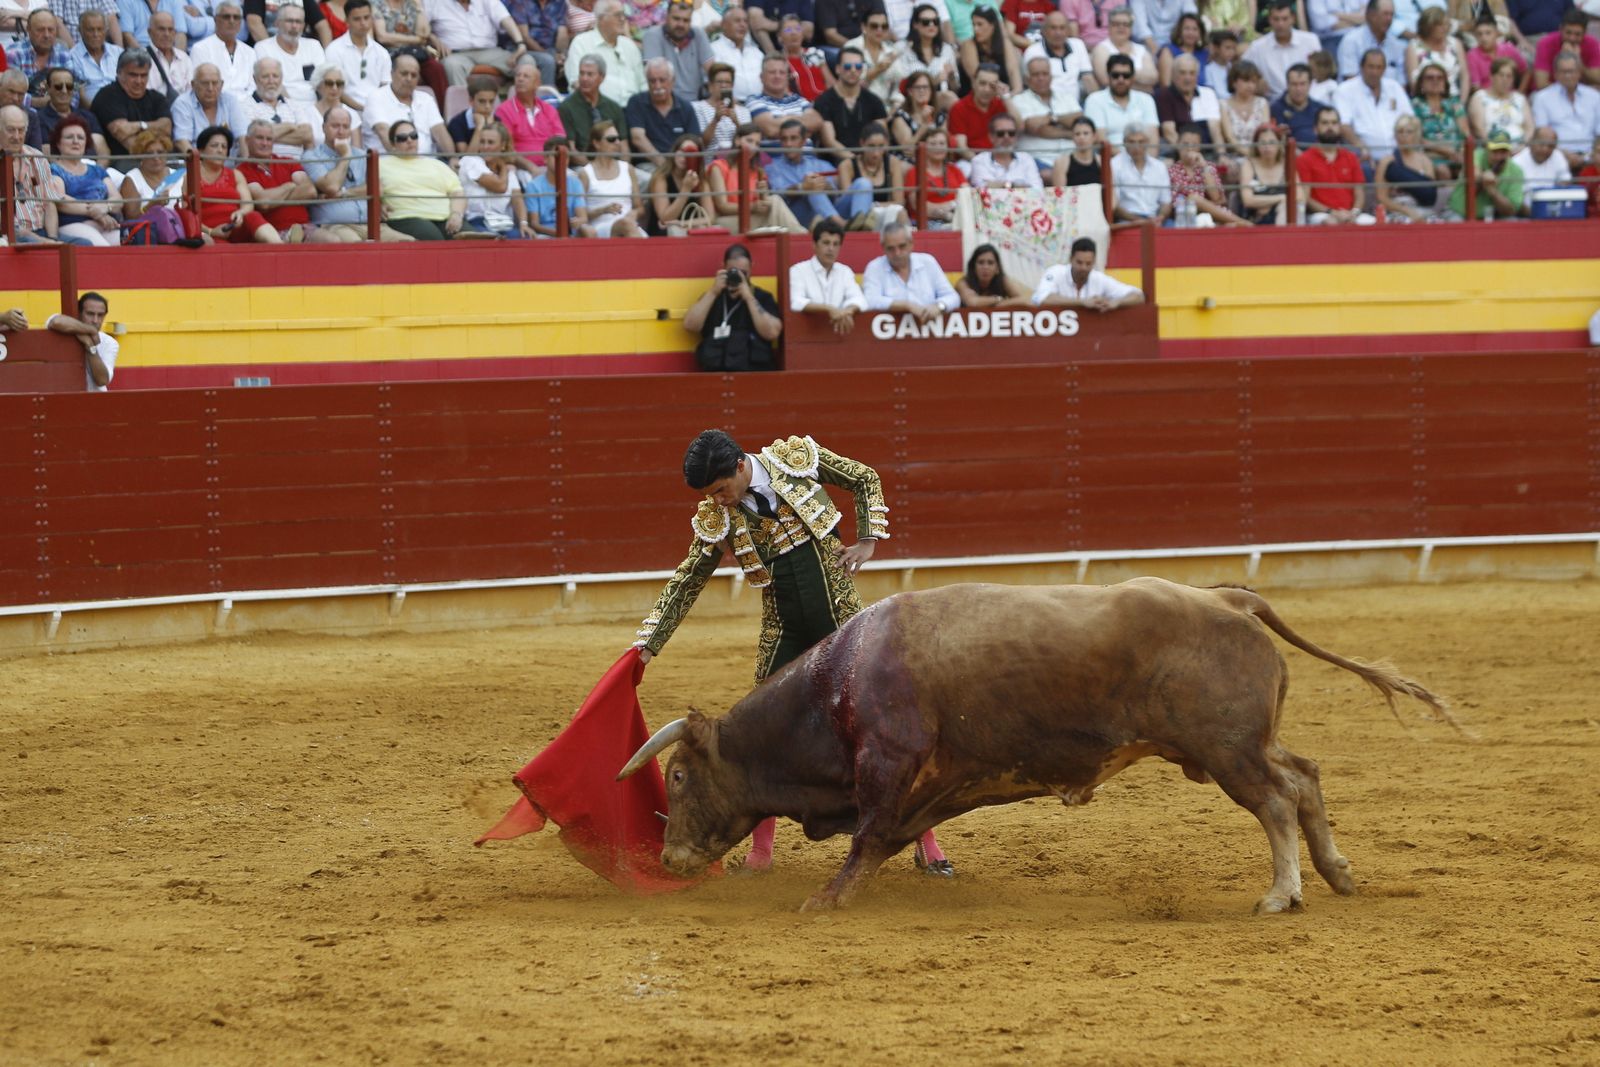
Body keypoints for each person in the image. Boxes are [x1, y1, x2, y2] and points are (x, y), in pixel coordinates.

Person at [634, 428, 953, 876]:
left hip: (843, 622)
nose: (719, 501)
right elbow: (688, 579)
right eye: (711, 495)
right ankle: (761, 854)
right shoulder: (716, 516)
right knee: (759, 736)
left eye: (722, 490)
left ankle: (928, 844)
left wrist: (867, 541)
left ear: (741, 466)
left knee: (887, 729)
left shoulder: (795, 460)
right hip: (783, 629)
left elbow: (864, 478)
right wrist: (648, 646)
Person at [303, 103, 416, 239]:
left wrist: (344, 193)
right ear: (323, 128)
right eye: (335, 126)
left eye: (345, 127)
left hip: (373, 225)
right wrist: (345, 156)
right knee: (357, 248)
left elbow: (377, 189)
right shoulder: (312, 156)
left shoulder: (362, 155)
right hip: (336, 225)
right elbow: (331, 187)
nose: (341, 131)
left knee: (408, 243)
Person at [684, 243, 783, 371]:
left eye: (743, 273)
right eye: (733, 272)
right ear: (724, 267)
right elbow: (690, 325)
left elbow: (772, 333)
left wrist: (748, 297)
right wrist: (713, 292)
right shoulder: (713, 296)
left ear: (752, 267)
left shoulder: (762, 297)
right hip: (716, 374)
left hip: (754, 375)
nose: (739, 277)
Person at [235, 115, 327, 239]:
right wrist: (289, 186)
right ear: (247, 140)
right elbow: (263, 203)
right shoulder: (242, 170)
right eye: (259, 138)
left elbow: (310, 191)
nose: (265, 143)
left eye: (269, 139)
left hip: (304, 226)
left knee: (333, 240)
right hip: (274, 233)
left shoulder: (288, 162)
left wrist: (274, 198)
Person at [706, 121, 807, 230]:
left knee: (773, 204)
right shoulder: (719, 167)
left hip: (753, 218)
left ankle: (800, 237)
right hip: (727, 220)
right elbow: (722, 206)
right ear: (737, 140)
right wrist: (753, 207)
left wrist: (763, 194)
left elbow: (763, 205)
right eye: (749, 141)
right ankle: (803, 237)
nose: (753, 147)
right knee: (775, 203)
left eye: (757, 144)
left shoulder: (758, 171)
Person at [379, 118, 465, 236]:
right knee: (433, 238)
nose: (409, 140)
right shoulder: (380, 164)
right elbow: (368, 190)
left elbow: (457, 192)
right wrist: (379, 204)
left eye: (413, 136)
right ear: (393, 144)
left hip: (445, 217)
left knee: (476, 240)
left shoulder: (437, 164)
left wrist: (456, 214)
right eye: (402, 138)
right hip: (406, 217)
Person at [861, 221, 960, 322]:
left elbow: (953, 296)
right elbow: (869, 301)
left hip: (929, 332)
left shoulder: (927, 262)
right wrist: (907, 305)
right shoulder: (875, 267)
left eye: (902, 246)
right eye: (891, 249)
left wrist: (939, 306)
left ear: (911, 244)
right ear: (883, 248)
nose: (897, 253)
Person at [49, 115, 122, 244]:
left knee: (127, 249)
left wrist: (106, 207)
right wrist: (97, 212)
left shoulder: (97, 170)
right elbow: (61, 201)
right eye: (69, 137)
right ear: (58, 143)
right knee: (103, 249)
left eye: (80, 137)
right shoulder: (53, 170)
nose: (75, 141)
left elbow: (118, 199)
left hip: (105, 223)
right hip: (72, 224)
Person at [1333, 46, 1407, 172]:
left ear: (1384, 69)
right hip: (1364, 154)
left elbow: (1409, 120)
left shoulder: (1394, 87)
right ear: (1361, 68)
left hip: (1398, 153)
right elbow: (1344, 126)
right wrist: (1362, 148)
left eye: (1379, 67)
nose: (1374, 72)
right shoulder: (1345, 90)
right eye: (1371, 67)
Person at [1297, 103, 1372, 222]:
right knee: (1330, 222)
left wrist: (1354, 212)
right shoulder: (1304, 159)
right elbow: (1307, 198)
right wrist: (1331, 212)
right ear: (1315, 129)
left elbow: (1359, 192)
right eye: (1325, 123)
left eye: (1334, 123)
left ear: (1339, 127)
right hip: (1320, 215)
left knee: (1374, 224)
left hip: (1351, 214)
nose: (1330, 127)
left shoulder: (1351, 157)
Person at [788, 216, 865, 332]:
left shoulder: (845, 271)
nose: (831, 249)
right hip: (808, 334)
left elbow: (860, 299)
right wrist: (828, 309)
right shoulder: (798, 270)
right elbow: (796, 302)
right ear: (814, 245)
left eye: (836, 244)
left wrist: (847, 311)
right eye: (826, 243)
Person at [426, 0, 530, 86]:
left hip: (490, 52)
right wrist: (432, 37)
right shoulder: (434, 2)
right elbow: (420, 28)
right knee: (452, 65)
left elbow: (506, 19)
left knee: (526, 60)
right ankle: (463, 109)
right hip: (456, 54)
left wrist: (520, 43)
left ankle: (520, 108)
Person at [3, 103, 64, 245]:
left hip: (41, 232)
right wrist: (43, 242)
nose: (17, 136)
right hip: (10, 235)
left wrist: (52, 239)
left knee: (83, 243)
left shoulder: (37, 157)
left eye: (21, 130)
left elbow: (49, 204)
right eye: (11, 130)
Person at [361, 50, 446, 150]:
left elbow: (440, 133)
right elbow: (383, 132)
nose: (409, 79)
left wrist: (453, 157)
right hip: (391, 161)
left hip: (427, 162)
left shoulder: (426, 99)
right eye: (404, 74)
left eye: (414, 75)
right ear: (392, 74)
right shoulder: (376, 97)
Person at [565, 0, 644, 106]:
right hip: (599, 110)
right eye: (617, 15)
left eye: (623, 14)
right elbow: (576, 83)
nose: (622, 19)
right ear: (601, 18)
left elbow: (643, 84)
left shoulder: (629, 46)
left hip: (634, 110)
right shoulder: (581, 43)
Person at [815, 43, 890, 156]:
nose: (853, 70)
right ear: (838, 69)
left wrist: (864, 163)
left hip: (869, 160)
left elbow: (882, 139)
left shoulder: (874, 101)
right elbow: (829, 142)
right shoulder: (824, 101)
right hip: (834, 162)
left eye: (858, 67)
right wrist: (855, 163)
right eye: (847, 66)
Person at [1031, 235, 1144, 309]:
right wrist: (1082, 302)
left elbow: (1139, 296)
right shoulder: (1056, 272)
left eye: (1088, 263)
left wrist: (1116, 302)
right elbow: (1042, 298)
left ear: (1094, 262)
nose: (1084, 268)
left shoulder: (1098, 278)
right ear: (1071, 259)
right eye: (1079, 262)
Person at [1012, 53, 1081, 170]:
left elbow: (1078, 121)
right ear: (1027, 79)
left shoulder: (1066, 97)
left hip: (1071, 158)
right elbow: (1033, 127)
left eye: (1045, 74)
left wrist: (1052, 119)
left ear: (1051, 76)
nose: (1041, 78)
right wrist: (1069, 133)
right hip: (1038, 160)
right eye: (1036, 75)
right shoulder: (1018, 101)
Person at [457, 119, 527, 234]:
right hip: (475, 221)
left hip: (502, 222)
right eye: (482, 142)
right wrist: (504, 167)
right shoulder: (470, 161)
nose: (485, 147)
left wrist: (524, 223)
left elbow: (517, 199)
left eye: (490, 142)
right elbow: (499, 186)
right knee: (489, 239)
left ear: (503, 145)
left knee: (524, 237)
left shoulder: (509, 172)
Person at [1532, 54, 1600, 171]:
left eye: (1572, 71)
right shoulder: (1542, 98)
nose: (1568, 76)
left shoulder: (1594, 96)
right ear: (1556, 74)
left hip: (1593, 159)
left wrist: (1592, 155)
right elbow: (1542, 134)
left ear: (1579, 72)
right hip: (1556, 157)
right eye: (1564, 72)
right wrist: (1564, 154)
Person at [626, 56, 697, 169]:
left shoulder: (685, 107)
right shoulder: (637, 103)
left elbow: (693, 140)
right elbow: (638, 138)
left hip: (680, 164)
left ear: (672, 81)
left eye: (662, 80)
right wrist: (665, 166)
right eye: (652, 81)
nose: (657, 86)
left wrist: (678, 163)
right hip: (649, 164)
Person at [371, 0, 449, 101]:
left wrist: (419, 7)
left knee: (436, 68)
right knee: (404, 68)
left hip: (415, 52)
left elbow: (424, 34)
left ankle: (442, 111)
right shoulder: (376, 4)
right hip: (390, 53)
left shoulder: (411, 4)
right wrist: (415, 40)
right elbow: (382, 37)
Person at [240, 55, 317, 157]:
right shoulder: (244, 106)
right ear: (255, 79)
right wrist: (289, 126)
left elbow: (307, 135)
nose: (271, 81)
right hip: (263, 164)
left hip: (296, 166)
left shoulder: (294, 105)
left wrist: (264, 136)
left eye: (275, 76)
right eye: (265, 76)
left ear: (281, 78)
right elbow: (250, 141)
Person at [579, 118, 646, 236]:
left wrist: (634, 213)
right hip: (599, 229)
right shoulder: (585, 174)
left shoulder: (628, 169)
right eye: (611, 139)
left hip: (629, 225)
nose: (617, 143)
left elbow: (639, 207)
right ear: (596, 143)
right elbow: (579, 215)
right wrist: (603, 210)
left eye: (618, 138)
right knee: (626, 225)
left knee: (628, 225)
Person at [1168, 121, 1246, 221]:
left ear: (1200, 147)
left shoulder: (1208, 166)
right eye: (1185, 144)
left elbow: (1217, 198)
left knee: (1230, 225)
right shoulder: (1170, 171)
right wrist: (1197, 203)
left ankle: (1240, 224)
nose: (1189, 148)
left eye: (1194, 144)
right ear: (1178, 144)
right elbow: (1174, 204)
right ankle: (1243, 223)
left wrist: (1204, 166)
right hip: (1184, 217)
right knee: (1194, 199)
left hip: (1212, 217)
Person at [522, 133, 598, 234]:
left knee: (589, 230)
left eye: (566, 157)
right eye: (557, 157)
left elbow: (583, 217)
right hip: (545, 236)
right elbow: (534, 224)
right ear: (545, 158)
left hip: (571, 232)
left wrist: (577, 221)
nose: (562, 161)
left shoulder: (575, 183)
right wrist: (559, 233)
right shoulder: (533, 186)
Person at [835, 119, 907, 226]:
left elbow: (899, 201)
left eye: (881, 146)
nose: (876, 153)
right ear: (862, 143)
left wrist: (872, 206)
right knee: (863, 184)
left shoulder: (893, 162)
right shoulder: (847, 165)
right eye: (871, 146)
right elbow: (848, 200)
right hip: (848, 215)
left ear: (887, 145)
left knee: (901, 213)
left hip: (876, 212)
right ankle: (858, 228)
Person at [1373, 112, 1444, 220]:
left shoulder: (1425, 161)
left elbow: (1429, 194)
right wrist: (1407, 211)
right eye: (1400, 132)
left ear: (1416, 134)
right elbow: (1381, 197)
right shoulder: (1387, 162)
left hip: (1424, 209)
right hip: (1397, 210)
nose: (1404, 136)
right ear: (1395, 135)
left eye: (1409, 132)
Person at [34, 68, 114, 159]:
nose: (64, 91)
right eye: (58, 87)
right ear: (48, 89)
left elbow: (103, 152)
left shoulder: (88, 116)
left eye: (69, 86)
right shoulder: (38, 119)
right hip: (58, 171)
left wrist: (98, 171)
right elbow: (48, 155)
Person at [324, 0, 392, 107]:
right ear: (347, 21)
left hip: (377, 108)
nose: (363, 23)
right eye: (357, 19)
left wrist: (375, 109)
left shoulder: (381, 52)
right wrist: (360, 108)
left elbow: (385, 87)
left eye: (366, 17)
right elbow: (335, 89)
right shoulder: (334, 50)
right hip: (344, 108)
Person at [1242, 0, 1318, 96]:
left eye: (1285, 19)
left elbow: (1319, 73)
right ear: (1269, 20)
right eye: (1276, 19)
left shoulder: (1310, 41)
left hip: (1307, 97)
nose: (1280, 24)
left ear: (1293, 19)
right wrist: (1257, 81)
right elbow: (1242, 69)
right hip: (1274, 101)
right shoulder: (1258, 47)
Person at [642, 0, 711, 104]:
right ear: (667, 17)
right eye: (676, 19)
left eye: (686, 20)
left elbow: (712, 70)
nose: (681, 24)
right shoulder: (653, 36)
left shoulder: (698, 34)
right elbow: (655, 76)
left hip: (698, 102)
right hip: (666, 103)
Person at [45, 291, 116, 391]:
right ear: (79, 313)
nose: (95, 320)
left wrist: (90, 345)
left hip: (95, 401)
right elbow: (55, 321)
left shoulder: (109, 342)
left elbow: (102, 380)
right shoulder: (67, 327)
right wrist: (90, 330)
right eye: (90, 314)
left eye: (100, 315)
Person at [254, 2, 325, 102]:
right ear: (277, 23)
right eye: (289, 21)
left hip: (314, 105)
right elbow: (272, 84)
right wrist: (294, 108)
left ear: (304, 25)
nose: (294, 26)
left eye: (298, 22)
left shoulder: (314, 45)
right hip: (281, 104)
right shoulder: (263, 47)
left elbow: (323, 80)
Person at [1084, 52, 1158, 147]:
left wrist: (1149, 160)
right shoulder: (1094, 100)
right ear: (1108, 76)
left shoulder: (1146, 99)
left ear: (1133, 77)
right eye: (1115, 75)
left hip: (1143, 158)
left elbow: (1153, 139)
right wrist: (1124, 160)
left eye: (1126, 75)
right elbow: (1100, 139)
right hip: (1109, 159)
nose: (1121, 80)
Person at [559, 54, 628, 157]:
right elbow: (571, 150)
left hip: (614, 165)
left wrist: (624, 169)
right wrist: (594, 170)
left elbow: (624, 147)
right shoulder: (567, 107)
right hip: (584, 166)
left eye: (590, 74)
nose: (584, 78)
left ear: (602, 77)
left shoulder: (614, 107)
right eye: (581, 73)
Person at [1448, 124, 1522, 218]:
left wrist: (1493, 192)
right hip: (1460, 213)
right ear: (1486, 149)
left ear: (1509, 152)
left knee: (1512, 222)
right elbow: (1473, 173)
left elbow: (1511, 210)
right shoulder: (1476, 155)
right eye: (1494, 151)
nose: (1499, 157)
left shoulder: (1516, 171)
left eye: (1503, 152)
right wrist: (1485, 177)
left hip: (1496, 218)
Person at [748, 52, 824, 140]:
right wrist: (802, 124)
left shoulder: (799, 100)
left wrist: (783, 120)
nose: (777, 76)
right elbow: (770, 129)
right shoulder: (754, 100)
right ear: (761, 77)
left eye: (782, 72)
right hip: (777, 153)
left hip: (808, 153)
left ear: (787, 77)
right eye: (772, 72)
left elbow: (817, 122)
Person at [1411, 60, 1467, 178]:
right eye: (1430, 78)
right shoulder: (1415, 106)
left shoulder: (1454, 103)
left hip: (1456, 153)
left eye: (1439, 78)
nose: (1435, 81)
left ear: (1445, 83)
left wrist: (1461, 152)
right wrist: (1447, 152)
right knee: (1443, 172)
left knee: (1469, 170)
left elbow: (1465, 132)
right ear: (1421, 83)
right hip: (1431, 153)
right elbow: (1417, 138)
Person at [892, 3, 960, 99]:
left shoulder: (946, 49)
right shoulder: (902, 48)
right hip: (910, 101)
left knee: (949, 96)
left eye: (935, 21)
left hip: (939, 99)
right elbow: (902, 86)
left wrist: (951, 77)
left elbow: (956, 88)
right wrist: (934, 81)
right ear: (915, 24)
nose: (931, 25)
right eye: (926, 22)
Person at [1022, 11, 1093, 104]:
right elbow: (1034, 87)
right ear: (1044, 31)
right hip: (1047, 105)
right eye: (1053, 28)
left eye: (1062, 28)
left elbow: (1088, 78)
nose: (1058, 33)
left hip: (1078, 104)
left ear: (1068, 30)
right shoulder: (1033, 52)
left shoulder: (1078, 45)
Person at [172, 61, 247, 149]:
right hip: (197, 160)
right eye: (205, 83)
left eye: (215, 83)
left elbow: (242, 137)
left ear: (222, 84)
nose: (210, 88)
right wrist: (198, 163)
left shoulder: (230, 100)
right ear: (193, 85)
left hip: (229, 162)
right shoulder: (183, 103)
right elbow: (182, 142)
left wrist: (246, 161)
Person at [647, 131, 710, 233]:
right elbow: (665, 219)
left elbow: (710, 217)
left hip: (690, 230)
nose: (684, 156)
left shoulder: (701, 179)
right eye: (682, 150)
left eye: (691, 153)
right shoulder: (661, 177)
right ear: (675, 152)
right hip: (664, 234)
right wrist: (686, 189)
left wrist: (682, 224)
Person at [189, 1, 258, 95]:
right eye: (226, 17)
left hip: (248, 106)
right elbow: (201, 86)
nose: (232, 21)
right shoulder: (201, 49)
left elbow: (254, 86)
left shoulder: (250, 52)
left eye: (236, 17)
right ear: (215, 19)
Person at [1158, 51, 1220, 149]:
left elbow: (1215, 130)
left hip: (1207, 151)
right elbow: (1169, 133)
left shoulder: (1208, 93)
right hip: (1178, 153)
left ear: (1197, 76)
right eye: (1182, 73)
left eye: (1192, 73)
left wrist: (1221, 154)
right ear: (1173, 75)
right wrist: (1190, 154)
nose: (1188, 78)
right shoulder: (1164, 95)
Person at [1238, 121, 1299, 221]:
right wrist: (1280, 198)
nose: (1267, 147)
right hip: (1255, 220)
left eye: (1271, 142)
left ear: (1280, 144)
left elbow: (1300, 196)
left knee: (1285, 207)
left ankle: (1283, 235)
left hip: (1284, 216)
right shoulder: (1248, 164)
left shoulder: (1287, 164)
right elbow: (1247, 200)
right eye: (1262, 142)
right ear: (1256, 145)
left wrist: (1268, 204)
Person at [8, 10, 74, 96]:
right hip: (23, 108)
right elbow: (10, 95)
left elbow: (73, 91)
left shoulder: (63, 54)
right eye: (40, 30)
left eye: (51, 30)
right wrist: (37, 102)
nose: (46, 35)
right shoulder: (14, 54)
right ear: (28, 29)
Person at [907, 125, 965, 224]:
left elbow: (967, 195)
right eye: (933, 144)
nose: (938, 147)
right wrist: (952, 205)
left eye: (942, 143)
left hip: (956, 219)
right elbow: (918, 205)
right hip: (927, 223)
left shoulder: (955, 170)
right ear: (923, 148)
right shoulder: (914, 172)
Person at [1469, 54, 1532, 146]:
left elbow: (1530, 127)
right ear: (1491, 76)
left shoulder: (1520, 99)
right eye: (1501, 75)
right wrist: (1499, 149)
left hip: (1520, 148)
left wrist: (1522, 147)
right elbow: (1478, 129)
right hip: (1492, 149)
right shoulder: (1479, 97)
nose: (1505, 79)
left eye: (1509, 76)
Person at [1532, 8, 1599, 93]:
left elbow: (1597, 79)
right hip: (1550, 92)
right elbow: (1541, 83)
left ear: (1585, 32)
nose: (1572, 38)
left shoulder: (1592, 44)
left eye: (1577, 34)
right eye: (1568, 33)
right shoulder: (1546, 43)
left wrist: (1578, 62)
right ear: (1561, 29)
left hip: (1581, 94)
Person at [969, 110, 1043, 186]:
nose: (1006, 137)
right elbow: (982, 189)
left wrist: (998, 185)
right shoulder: (979, 160)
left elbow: (1037, 189)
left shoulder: (1026, 158)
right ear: (991, 137)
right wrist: (1017, 185)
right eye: (1000, 133)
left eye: (1011, 133)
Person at [1091, 5, 1158, 89]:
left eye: (1126, 24)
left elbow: (1153, 78)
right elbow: (1105, 81)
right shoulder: (1101, 49)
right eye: (1116, 24)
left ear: (1131, 28)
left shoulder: (1141, 49)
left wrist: (1119, 74)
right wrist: (1142, 84)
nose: (1121, 27)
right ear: (1109, 26)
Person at [1334, 0, 1402, 82]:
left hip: (1390, 94)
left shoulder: (1395, 44)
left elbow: (1402, 83)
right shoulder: (1352, 41)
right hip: (1357, 93)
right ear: (1371, 15)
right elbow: (1350, 80)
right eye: (1385, 14)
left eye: (1392, 15)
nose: (1389, 19)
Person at [843, 7, 900, 104]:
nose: (879, 30)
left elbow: (897, 84)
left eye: (884, 26)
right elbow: (849, 83)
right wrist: (877, 69)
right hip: (858, 103)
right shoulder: (851, 47)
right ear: (864, 27)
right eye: (874, 26)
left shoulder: (891, 50)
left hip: (888, 105)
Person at [962, 5, 1022, 93]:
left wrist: (1014, 94)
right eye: (973, 24)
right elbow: (977, 77)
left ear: (992, 25)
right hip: (978, 95)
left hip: (1004, 95)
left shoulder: (1005, 43)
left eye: (980, 24)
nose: (975, 29)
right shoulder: (968, 45)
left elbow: (1013, 73)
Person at [67, 10, 124, 104]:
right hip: (92, 110)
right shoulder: (72, 57)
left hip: (122, 105)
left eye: (100, 29)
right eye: (90, 30)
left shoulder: (118, 52)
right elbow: (78, 96)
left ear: (106, 31)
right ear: (80, 31)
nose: (96, 34)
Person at [707, 4, 762, 100]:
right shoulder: (713, 50)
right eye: (737, 21)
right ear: (723, 25)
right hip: (728, 105)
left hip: (760, 104)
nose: (743, 25)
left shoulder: (756, 51)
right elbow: (710, 84)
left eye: (745, 21)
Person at [1511, 124, 1571, 212]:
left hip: (1554, 211)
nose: (1545, 149)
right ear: (1531, 142)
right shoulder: (1516, 162)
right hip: (1525, 215)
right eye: (1542, 144)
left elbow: (1565, 183)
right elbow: (1516, 199)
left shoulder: (1558, 156)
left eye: (1550, 146)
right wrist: (1535, 214)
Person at [1464, 14, 1526, 94]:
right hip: (1487, 99)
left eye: (1488, 33)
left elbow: (1526, 71)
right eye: (1479, 34)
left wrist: (1520, 92)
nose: (1483, 38)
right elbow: (1476, 87)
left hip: (1510, 96)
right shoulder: (1472, 55)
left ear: (1497, 33)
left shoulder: (1508, 48)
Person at [957, 242, 1030, 306]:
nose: (985, 267)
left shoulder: (1003, 280)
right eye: (981, 262)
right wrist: (997, 299)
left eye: (990, 263)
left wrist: (999, 304)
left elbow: (1026, 301)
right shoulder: (963, 283)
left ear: (997, 269)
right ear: (973, 267)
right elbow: (973, 303)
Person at [778, 14, 832, 102]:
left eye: (798, 29)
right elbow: (783, 93)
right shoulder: (779, 61)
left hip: (825, 104)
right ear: (780, 37)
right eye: (788, 30)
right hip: (799, 107)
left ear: (802, 34)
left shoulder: (814, 53)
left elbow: (830, 83)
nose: (793, 33)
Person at [144, 12, 195, 99]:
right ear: (150, 32)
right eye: (161, 29)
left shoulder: (184, 57)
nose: (167, 34)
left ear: (175, 33)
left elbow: (192, 91)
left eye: (170, 30)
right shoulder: (142, 58)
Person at [889, 68, 944, 147]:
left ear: (931, 91)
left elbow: (945, 146)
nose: (922, 90)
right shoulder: (901, 117)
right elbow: (907, 149)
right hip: (908, 159)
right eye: (917, 87)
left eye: (925, 87)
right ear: (910, 91)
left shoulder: (940, 116)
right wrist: (924, 125)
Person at [1270, 60, 1317, 145]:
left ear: (1310, 84)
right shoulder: (1274, 109)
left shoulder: (1319, 109)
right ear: (1287, 84)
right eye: (1294, 84)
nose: (1298, 89)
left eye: (1302, 84)